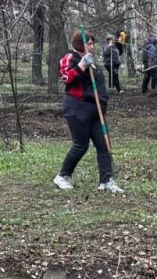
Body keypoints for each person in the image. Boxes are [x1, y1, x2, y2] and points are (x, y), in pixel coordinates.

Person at [53, 30, 124, 194]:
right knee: (81, 145)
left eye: (93, 43)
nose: (92, 46)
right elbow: (67, 78)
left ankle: (106, 181)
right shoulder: (70, 58)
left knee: (104, 144)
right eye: (89, 43)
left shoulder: (92, 61)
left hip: (96, 111)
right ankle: (63, 176)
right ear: (80, 44)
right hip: (77, 107)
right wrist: (81, 65)